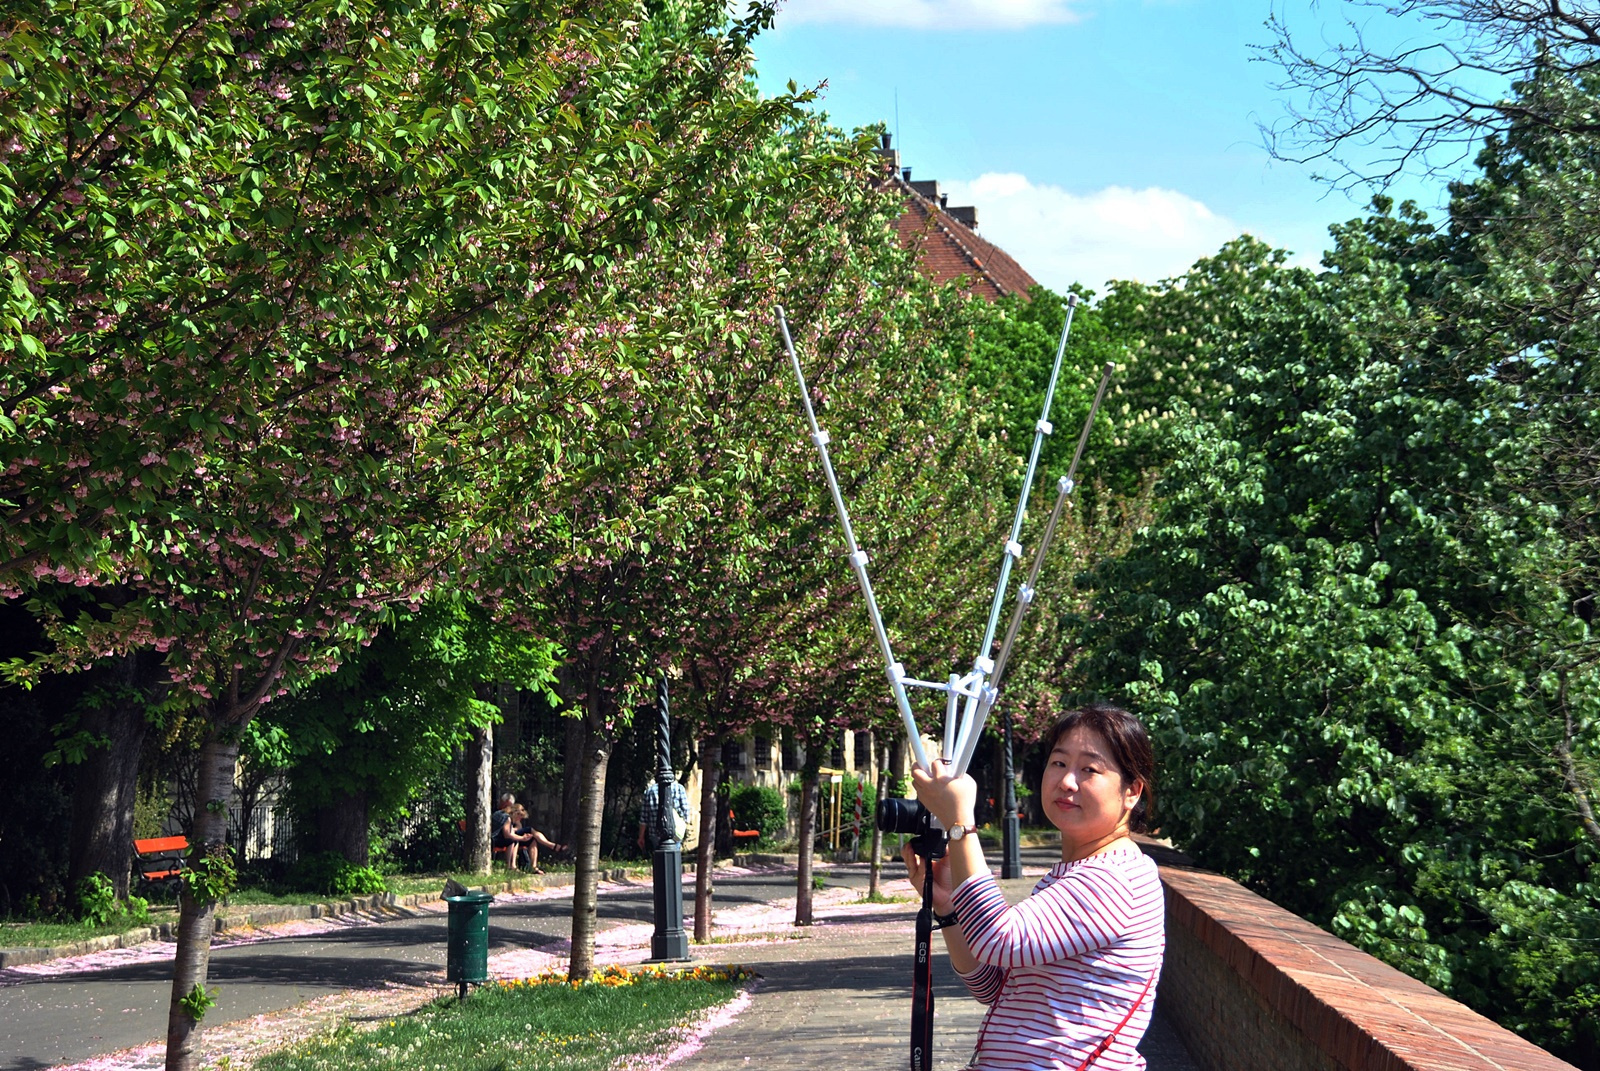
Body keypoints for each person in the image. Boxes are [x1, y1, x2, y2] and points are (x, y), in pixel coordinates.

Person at [903, 704, 1164, 1071]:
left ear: (1132, 791)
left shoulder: (1115, 878)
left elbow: (999, 939)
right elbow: (991, 984)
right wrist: (949, 910)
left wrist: (960, 823)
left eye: (1089, 769)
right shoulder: (1073, 875)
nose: (1067, 781)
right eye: (1058, 763)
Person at [637, 777, 690, 852]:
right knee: (674, 857)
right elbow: (686, 810)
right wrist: (683, 825)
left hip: (655, 833)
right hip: (676, 832)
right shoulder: (679, 788)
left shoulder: (649, 791)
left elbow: (644, 818)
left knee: (659, 858)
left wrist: (641, 837)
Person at [511, 804, 564, 874]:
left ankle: (534, 867)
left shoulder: (517, 821)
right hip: (510, 837)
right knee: (530, 829)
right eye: (519, 815)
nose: (520, 818)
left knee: (532, 840)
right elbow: (508, 831)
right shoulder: (508, 818)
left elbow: (519, 828)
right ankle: (552, 845)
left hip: (517, 837)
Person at [491, 794, 535, 871]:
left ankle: (513, 865)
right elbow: (507, 834)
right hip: (493, 839)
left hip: (494, 837)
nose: (519, 818)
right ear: (514, 813)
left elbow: (511, 833)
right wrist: (523, 838)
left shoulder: (503, 814)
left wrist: (521, 838)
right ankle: (509, 865)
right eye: (519, 816)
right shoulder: (507, 817)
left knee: (514, 840)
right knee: (511, 841)